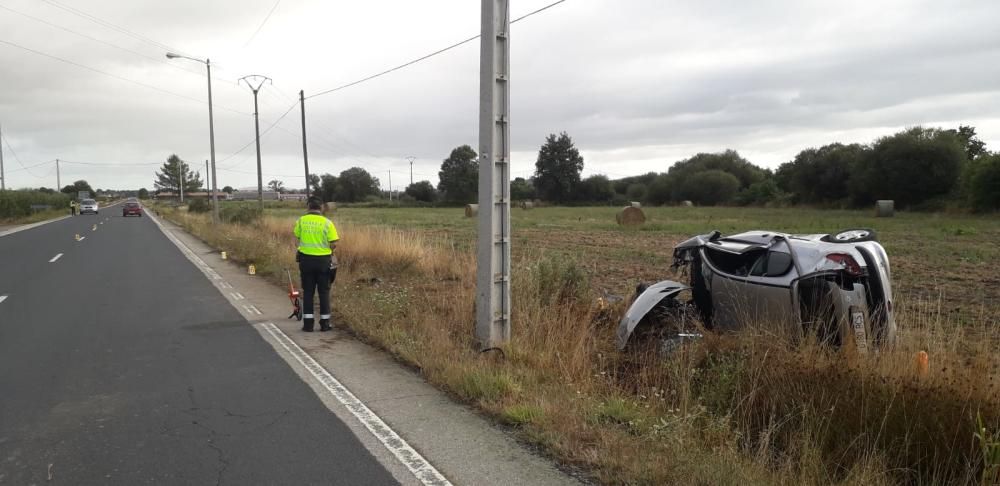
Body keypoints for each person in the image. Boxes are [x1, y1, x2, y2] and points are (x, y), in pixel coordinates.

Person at [293, 197, 339, 332]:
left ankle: (308, 325)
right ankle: (325, 324)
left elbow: (297, 240)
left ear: (308, 207)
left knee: (308, 292)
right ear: (321, 207)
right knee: (324, 292)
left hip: (306, 261)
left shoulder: (301, 221)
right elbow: (333, 243)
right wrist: (328, 250)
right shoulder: (327, 223)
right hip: (323, 261)